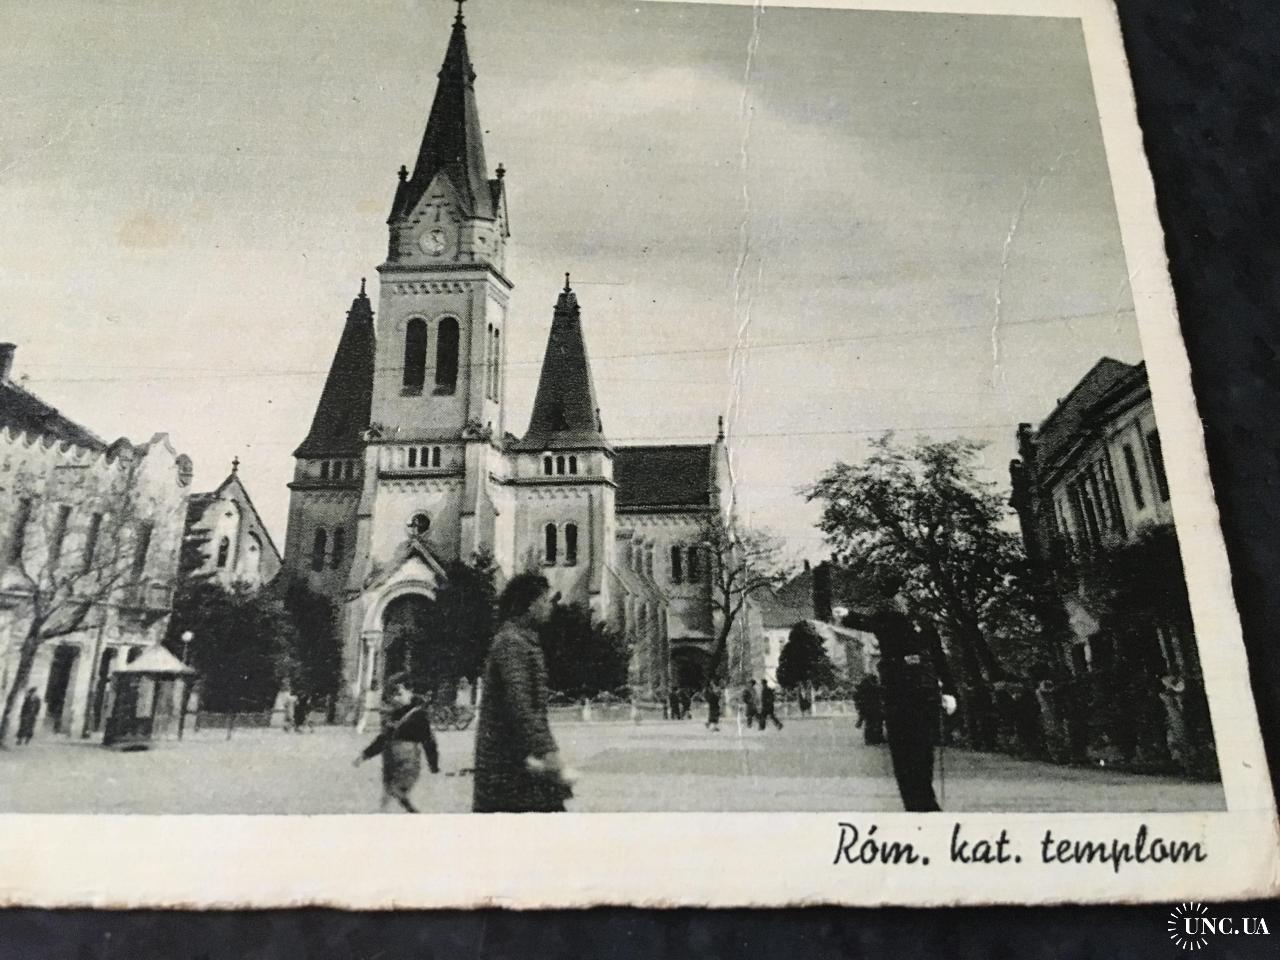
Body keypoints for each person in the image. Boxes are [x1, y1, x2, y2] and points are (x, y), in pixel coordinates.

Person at [844, 575, 957, 812]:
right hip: (901, 693)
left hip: (919, 693)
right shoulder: (890, 620)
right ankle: (917, 803)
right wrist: (847, 616)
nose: (904, 598)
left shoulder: (922, 624)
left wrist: (949, 691)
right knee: (906, 751)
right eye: (901, 594)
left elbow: (939, 658)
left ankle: (924, 802)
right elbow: (868, 623)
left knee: (921, 750)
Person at [472, 573, 575, 813]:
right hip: (507, 765)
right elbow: (521, 704)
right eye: (545, 600)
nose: (550, 606)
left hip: (521, 762)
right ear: (530, 605)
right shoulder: (512, 643)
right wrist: (547, 751)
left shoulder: (523, 641)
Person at [353, 674, 439, 813]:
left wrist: (433, 763)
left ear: (411, 692)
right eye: (393, 695)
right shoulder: (400, 714)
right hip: (396, 756)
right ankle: (390, 809)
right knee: (393, 787)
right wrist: (364, 755)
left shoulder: (417, 715)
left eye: (399, 694)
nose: (395, 699)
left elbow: (428, 741)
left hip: (405, 756)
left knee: (395, 786)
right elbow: (383, 739)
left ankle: (396, 805)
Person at [852, 673, 886, 745]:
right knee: (875, 723)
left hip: (866, 707)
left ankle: (870, 739)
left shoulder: (862, 687)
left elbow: (856, 698)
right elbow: (880, 690)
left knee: (870, 723)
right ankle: (876, 738)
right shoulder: (871, 687)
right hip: (872, 707)